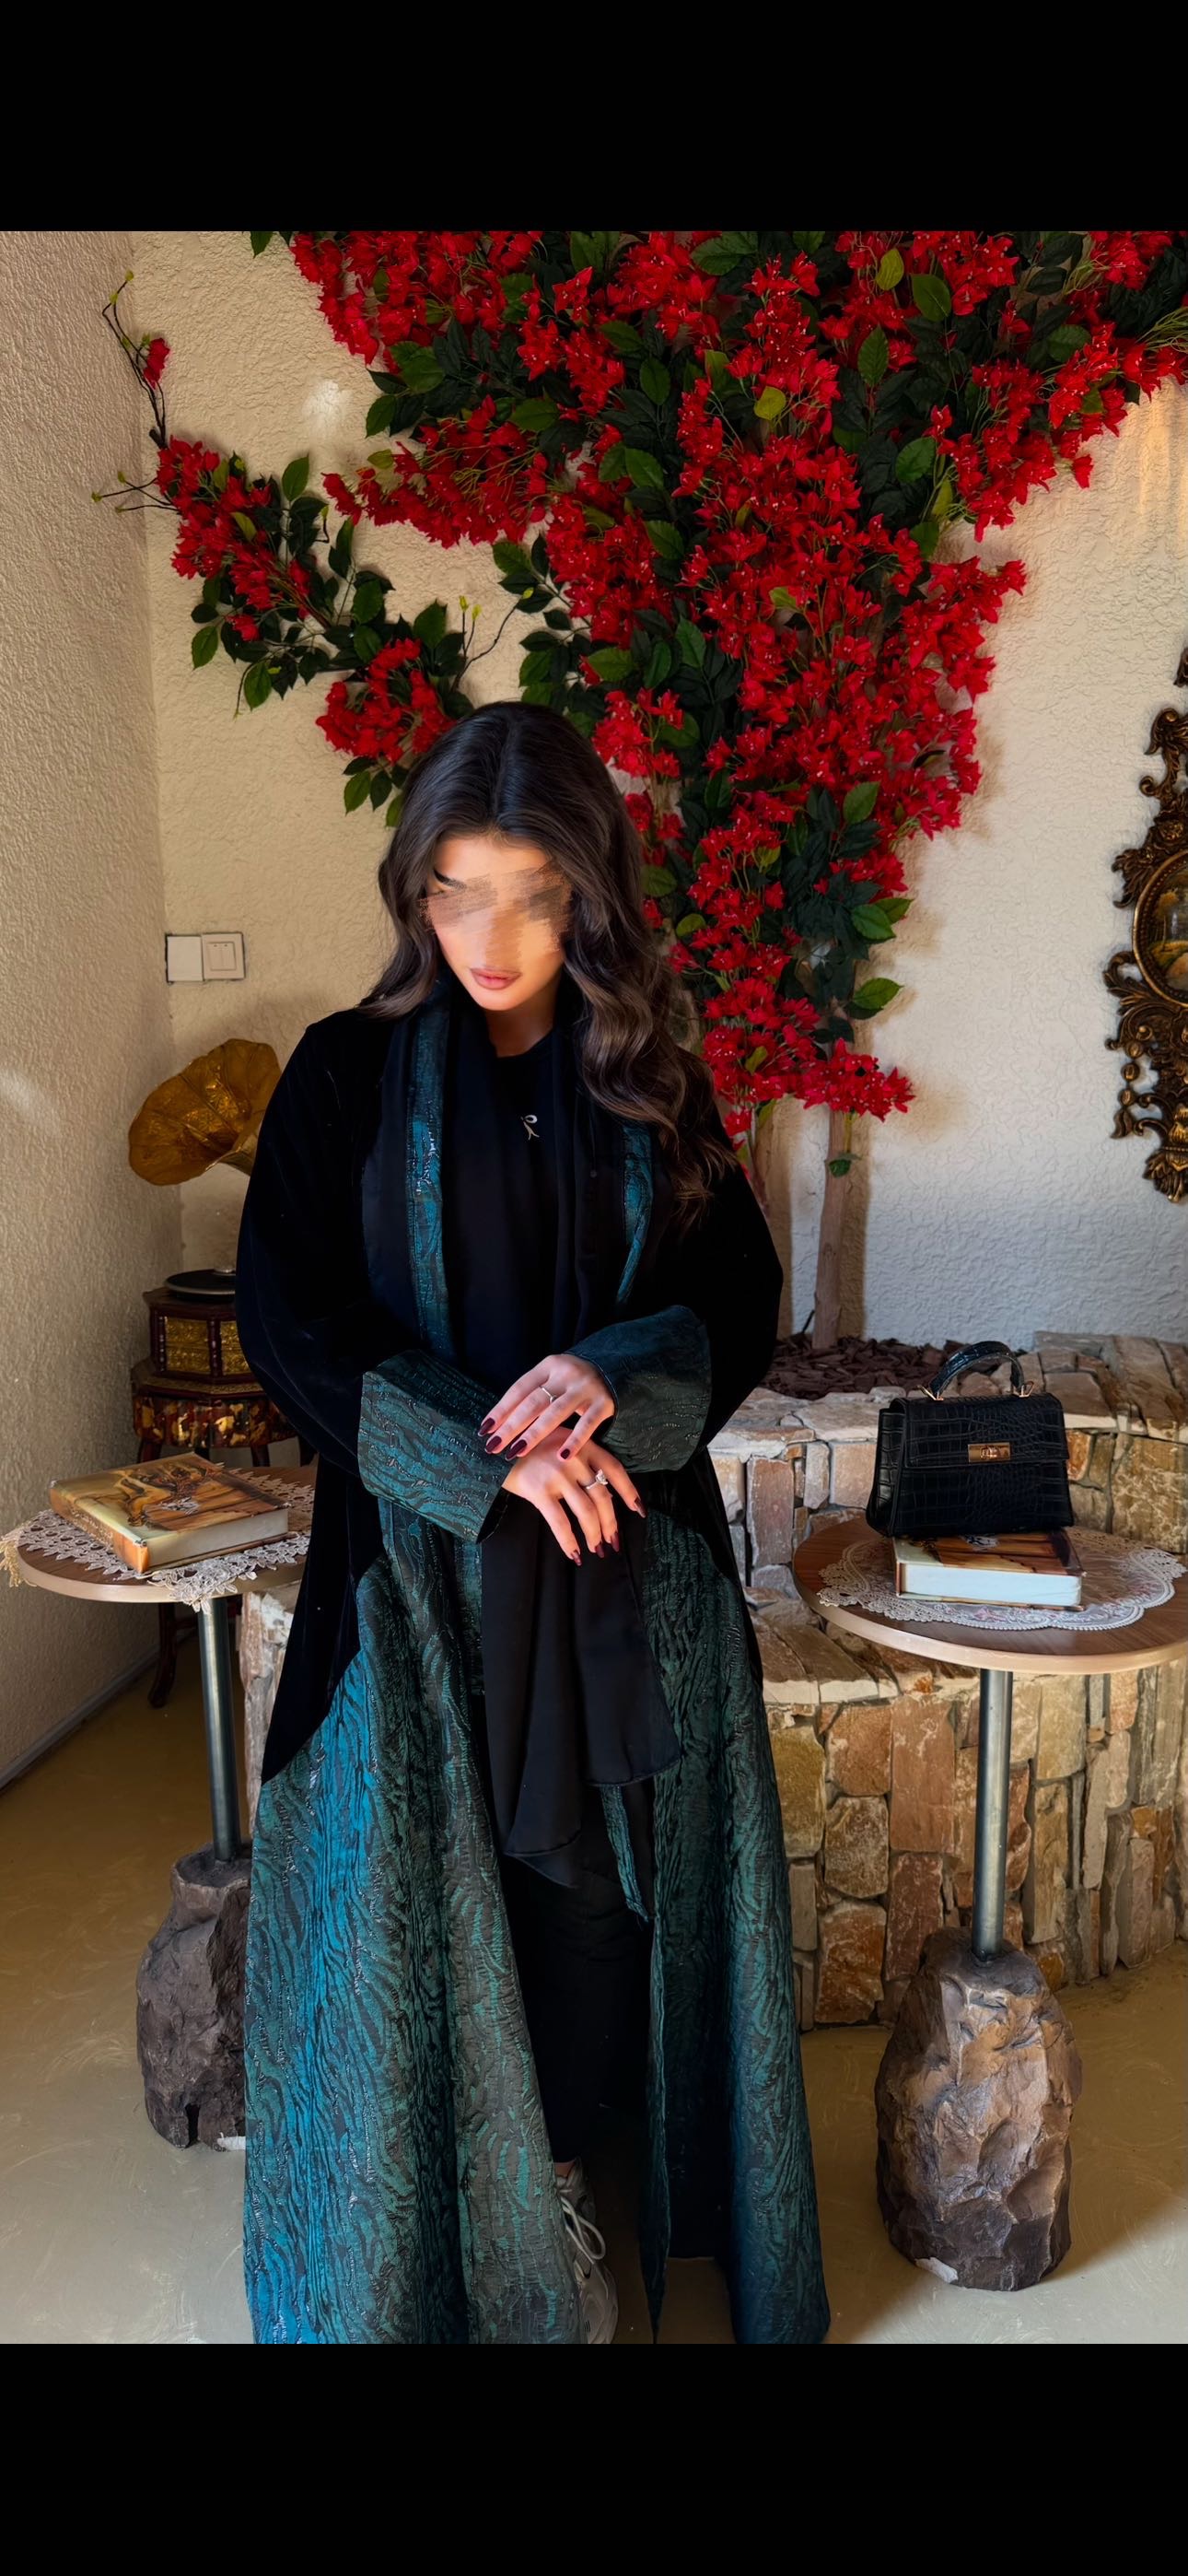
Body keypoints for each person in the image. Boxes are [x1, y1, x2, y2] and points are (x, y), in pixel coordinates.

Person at [235, 699, 828, 2347]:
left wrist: (606, 1373)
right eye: (455, 891)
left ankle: (559, 2178)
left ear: (589, 892)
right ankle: (436, 2213)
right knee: (429, 1888)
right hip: (416, 1569)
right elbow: (288, 1311)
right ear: (413, 892)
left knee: (594, 1887)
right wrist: (481, 1451)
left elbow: (736, 1292)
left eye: (531, 894)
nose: (489, 938)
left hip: (618, 1556)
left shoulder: (647, 1073)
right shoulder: (344, 1072)